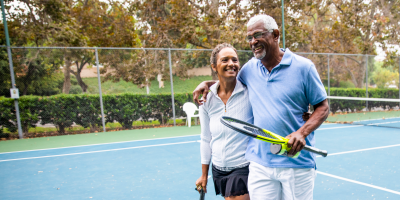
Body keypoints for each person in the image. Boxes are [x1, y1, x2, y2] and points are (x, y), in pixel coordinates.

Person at [193, 15, 329, 200]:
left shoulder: (304, 67)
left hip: (296, 163)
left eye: (258, 35)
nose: (253, 41)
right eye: (249, 37)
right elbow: (228, 76)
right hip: (260, 164)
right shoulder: (250, 69)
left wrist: (302, 133)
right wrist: (207, 83)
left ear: (275, 34)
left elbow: (323, 107)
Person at [195, 43, 252, 200]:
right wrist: (204, 174)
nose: (231, 64)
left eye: (234, 59)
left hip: (243, 166)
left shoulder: (249, 92)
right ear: (214, 66)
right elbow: (206, 139)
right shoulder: (206, 99)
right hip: (219, 169)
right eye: (225, 60)